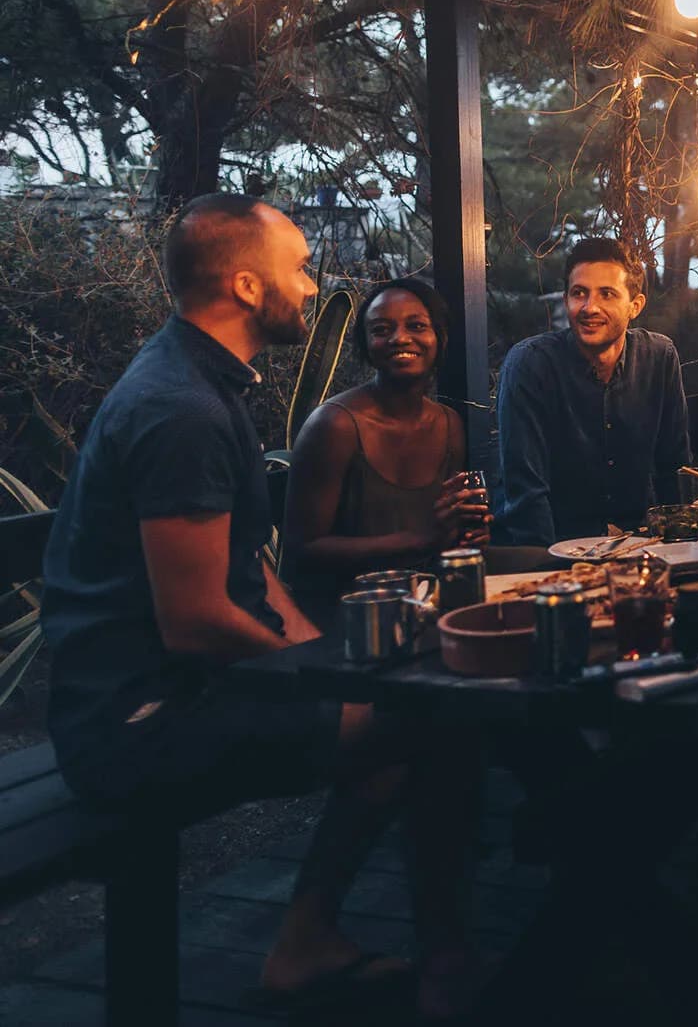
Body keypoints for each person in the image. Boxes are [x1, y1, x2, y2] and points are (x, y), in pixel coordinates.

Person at [40, 195, 477, 1019]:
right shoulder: (182, 410)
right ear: (246, 284)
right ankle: (435, 955)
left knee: (405, 707)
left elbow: (250, 567)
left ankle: (311, 940)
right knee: (430, 723)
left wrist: (335, 662)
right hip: (135, 721)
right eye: (300, 267)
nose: (313, 288)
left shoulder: (208, 384)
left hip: (179, 691)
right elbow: (197, 619)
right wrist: (325, 681)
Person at [281, 277, 499, 631]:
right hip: (350, 617)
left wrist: (465, 536)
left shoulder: (449, 424)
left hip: (426, 602)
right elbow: (302, 551)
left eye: (416, 326)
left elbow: (443, 537)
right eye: (382, 329)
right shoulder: (335, 426)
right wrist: (422, 539)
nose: (400, 338)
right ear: (367, 346)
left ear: (439, 338)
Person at [494, 236, 692, 546]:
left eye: (607, 294)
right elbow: (526, 494)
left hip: (639, 545)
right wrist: (555, 576)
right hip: (556, 551)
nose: (589, 307)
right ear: (566, 300)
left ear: (635, 306)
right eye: (579, 293)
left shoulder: (659, 356)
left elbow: (674, 468)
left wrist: (683, 549)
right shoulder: (530, 365)